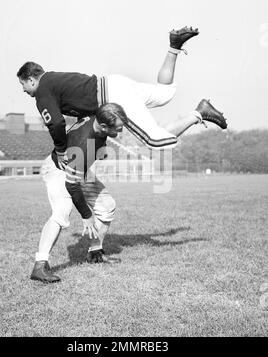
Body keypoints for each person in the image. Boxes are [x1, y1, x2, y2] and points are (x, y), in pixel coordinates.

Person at [31, 100, 227, 283]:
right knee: (61, 214)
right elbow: (72, 185)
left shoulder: (97, 119)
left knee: (107, 207)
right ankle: (40, 265)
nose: (121, 130)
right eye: (117, 128)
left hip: (79, 168)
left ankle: (95, 253)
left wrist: (99, 150)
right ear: (103, 126)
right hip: (59, 171)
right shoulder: (83, 144)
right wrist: (86, 215)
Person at [17, 26, 227, 171]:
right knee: (165, 94)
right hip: (113, 83)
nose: (24, 90)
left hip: (111, 96)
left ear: (31, 79)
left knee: (155, 140)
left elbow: (56, 123)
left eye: (23, 84)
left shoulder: (42, 90)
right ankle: (174, 48)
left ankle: (199, 112)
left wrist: (62, 152)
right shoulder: (53, 78)